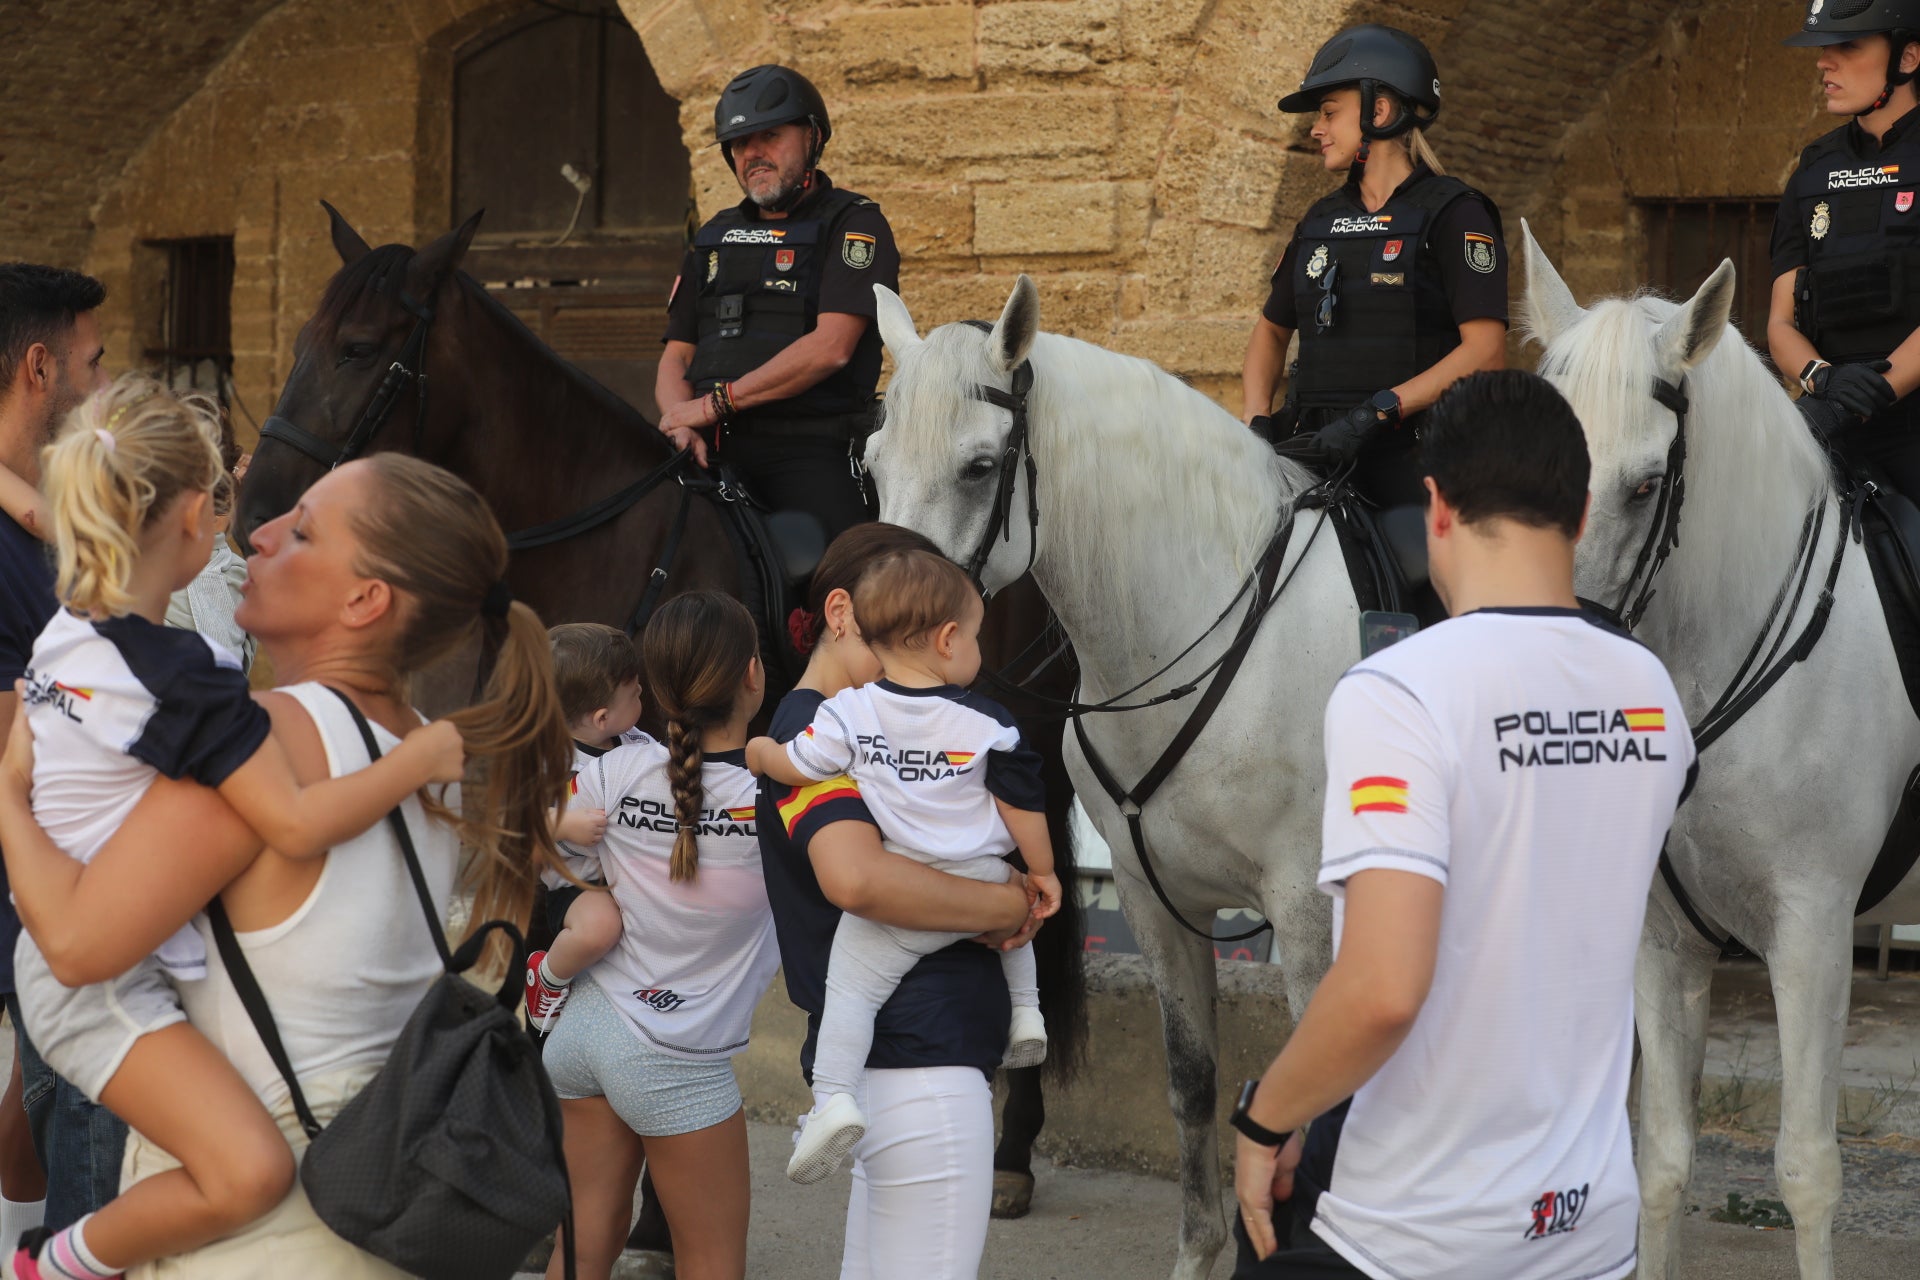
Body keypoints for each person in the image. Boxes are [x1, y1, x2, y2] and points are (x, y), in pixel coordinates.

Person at [0, 451, 573, 1277]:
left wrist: (10, 798)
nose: (258, 536)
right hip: (381, 1210)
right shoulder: (417, 752)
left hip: (259, 1242)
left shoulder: (262, 742)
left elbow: (76, 947)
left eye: (301, 530)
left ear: (364, 599)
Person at [1229, 371, 1697, 1280]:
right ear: (1585, 512)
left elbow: (1382, 990)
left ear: (1435, 505)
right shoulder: (1651, 693)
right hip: (1592, 1227)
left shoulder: (1398, 690)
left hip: (1410, 1231)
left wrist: (1265, 1118)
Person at [759, 524, 1038, 1278]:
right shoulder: (817, 726)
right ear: (842, 613)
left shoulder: (876, 726)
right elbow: (859, 880)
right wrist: (1009, 906)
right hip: (924, 1061)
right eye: (899, 629)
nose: (926, 654)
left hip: (901, 1060)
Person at [539, 592, 777, 1280]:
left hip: (583, 1030)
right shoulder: (775, 800)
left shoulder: (612, 770)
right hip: (675, 1055)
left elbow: (539, 856)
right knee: (709, 1261)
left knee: (581, 1249)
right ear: (753, 676)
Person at [1242, 25, 1507, 508]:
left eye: (1328, 114)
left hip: (1417, 468)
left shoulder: (1455, 214)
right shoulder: (1317, 220)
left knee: (1434, 583)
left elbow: (1486, 352)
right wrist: (1256, 424)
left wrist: (1377, 413)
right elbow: (1270, 331)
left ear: (1378, 111)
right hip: (1312, 459)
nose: (1315, 129)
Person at [655, 64, 899, 541]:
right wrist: (678, 423)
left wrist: (715, 404)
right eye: (741, 143)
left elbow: (832, 347)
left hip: (808, 450)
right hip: (706, 448)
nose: (753, 153)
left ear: (812, 137)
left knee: (850, 574)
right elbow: (677, 355)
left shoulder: (854, 225)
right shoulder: (713, 235)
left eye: (769, 136)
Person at [0, 263, 110, 1243]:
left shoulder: (44, 523)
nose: (103, 385)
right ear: (40, 366)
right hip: (42, 884)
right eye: (93, 361)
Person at [1770, 0, 1920, 496]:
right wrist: (1821, 380)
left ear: (1908, 58)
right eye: (1823, 47)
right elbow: (1780, 320)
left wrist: (1863, 397)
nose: (1823, 61)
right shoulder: (1812, 170)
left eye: (1847, 46)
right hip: (1828, 422)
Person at [525, 621, 646, 1032]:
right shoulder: (552, 760)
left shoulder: (635, 742)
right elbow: (518, 820)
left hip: (627, 877)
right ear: (601, 717)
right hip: (580, 888)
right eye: (635, 692)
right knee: (600, 929)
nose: (643, 694)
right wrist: (563, 823)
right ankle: (546, 979)